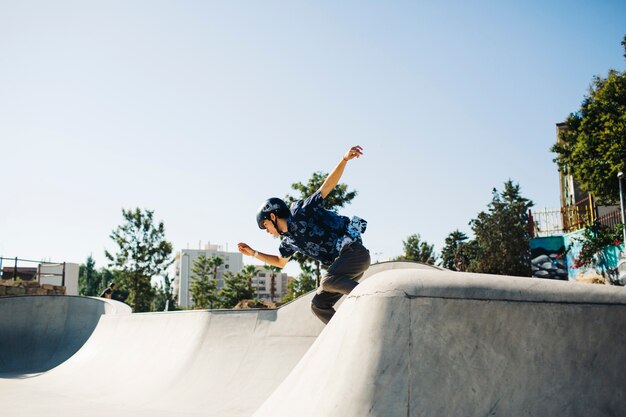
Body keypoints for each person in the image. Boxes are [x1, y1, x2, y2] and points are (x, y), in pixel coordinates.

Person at [238, 145, 370, 324]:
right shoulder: (287, 242)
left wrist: (344, 159)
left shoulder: (300, 211)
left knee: (327, 281)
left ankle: (372, 299)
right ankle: (348, 330)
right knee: (318, 304)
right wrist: (253, 253)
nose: (267, 232)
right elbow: (280, 262)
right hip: (344, 269)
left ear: (273, 216)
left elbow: (326, 188)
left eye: (266, 226)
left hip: (354, 253)